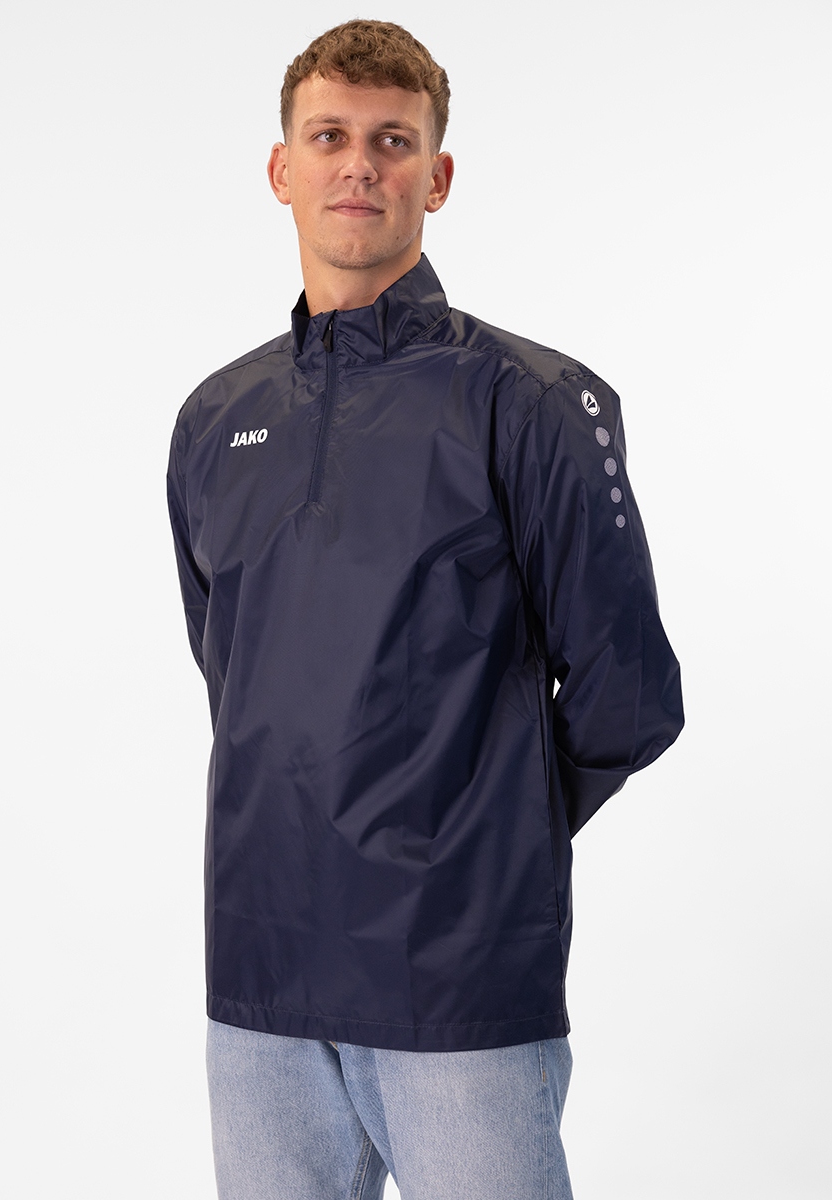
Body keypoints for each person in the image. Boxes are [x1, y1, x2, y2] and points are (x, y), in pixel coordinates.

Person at [167, 18, 683, 1200]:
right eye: (329, 137)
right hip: (257, 977)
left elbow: (629, 694)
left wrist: (474, 836)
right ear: (280, 168)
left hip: (455, 981)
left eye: (391, 141)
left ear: (435, 176)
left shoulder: (529, 401)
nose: (358, 165)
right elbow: (232, 672)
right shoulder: (214, 419)